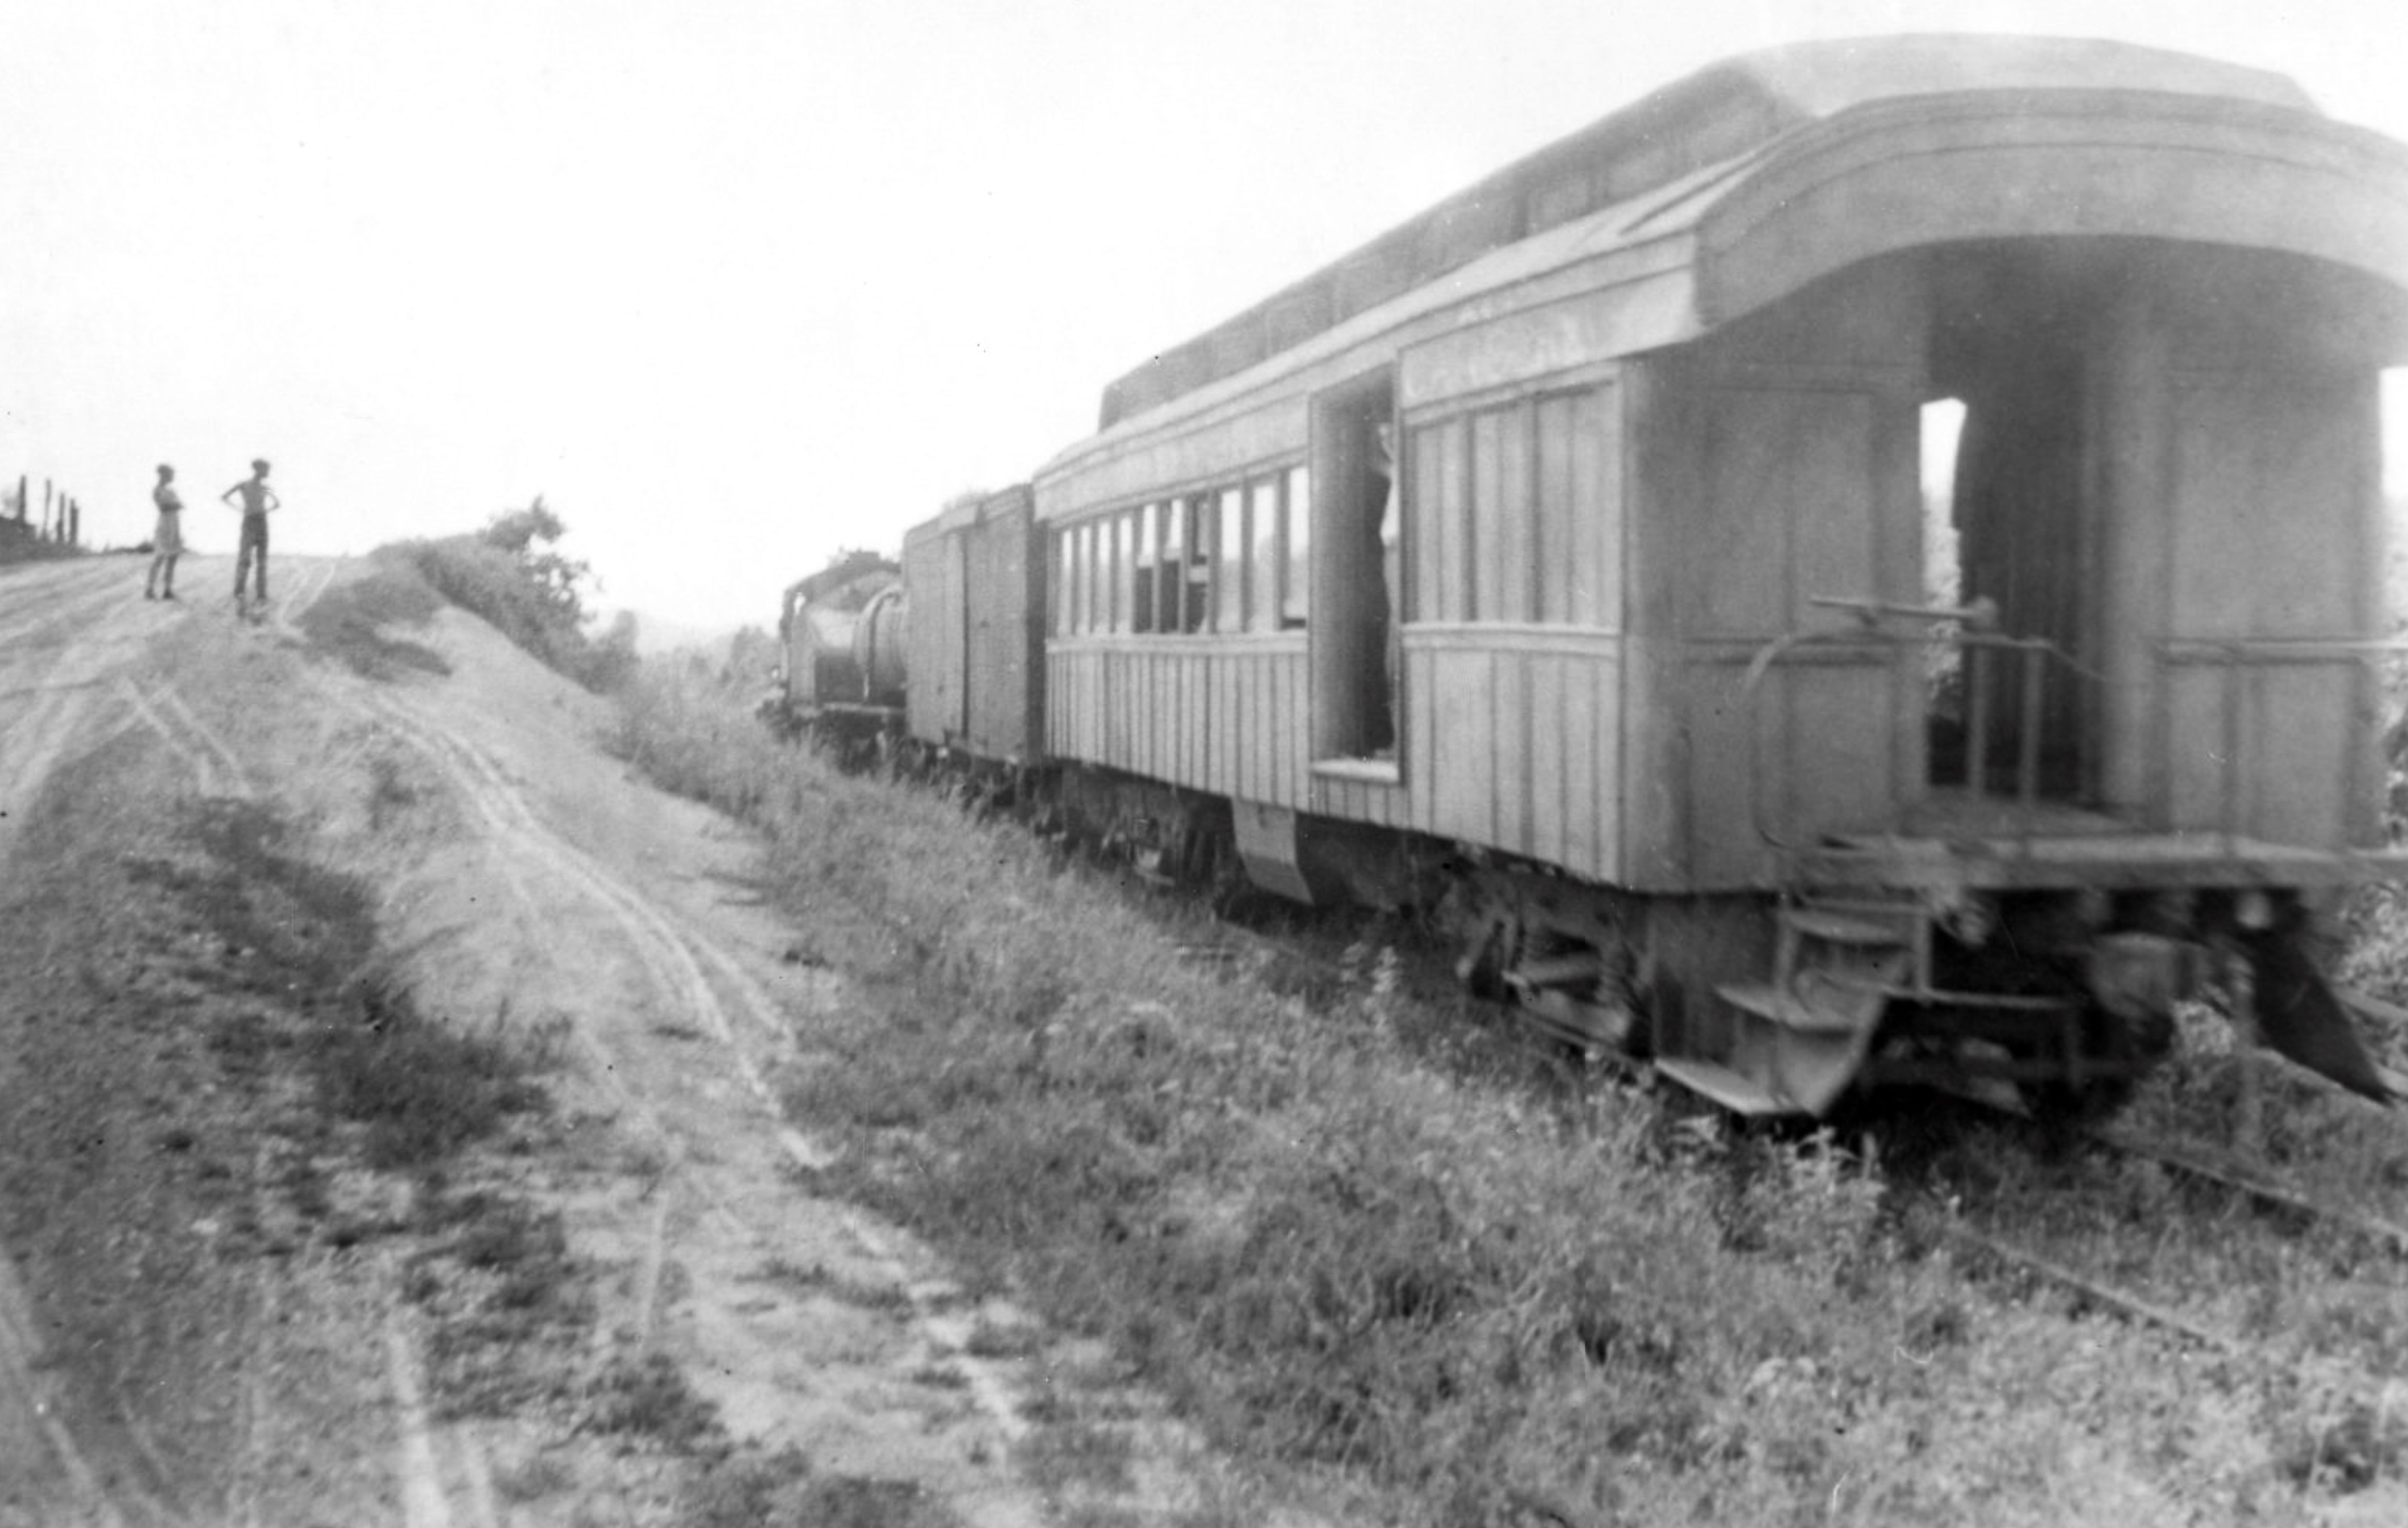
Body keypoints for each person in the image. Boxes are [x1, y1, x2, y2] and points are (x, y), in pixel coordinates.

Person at [221, 458, 280, 617]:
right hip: (249, 522)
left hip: (261, 521)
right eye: (266, 469)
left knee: (262, 561)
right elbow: (224, 496)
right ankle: (239, 592)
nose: (268, 472)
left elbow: (277, 503)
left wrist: (264, 511)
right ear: (258, 469)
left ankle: (261, 595)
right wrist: (240, 509)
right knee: (245, 559)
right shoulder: (243, 484)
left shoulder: (266, 487)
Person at [145, 464, 183, 600]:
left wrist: (176, 506)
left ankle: (168, 589)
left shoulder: (171, 490)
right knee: (160, 556)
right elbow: (162, 507)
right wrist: (175, 505)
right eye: (170, 474)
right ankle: (149, 588)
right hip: (164, 525)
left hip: (174, 524)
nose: (172, 477)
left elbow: (178, 505)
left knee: (173, 557)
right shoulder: (157, 490)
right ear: (163, 475)